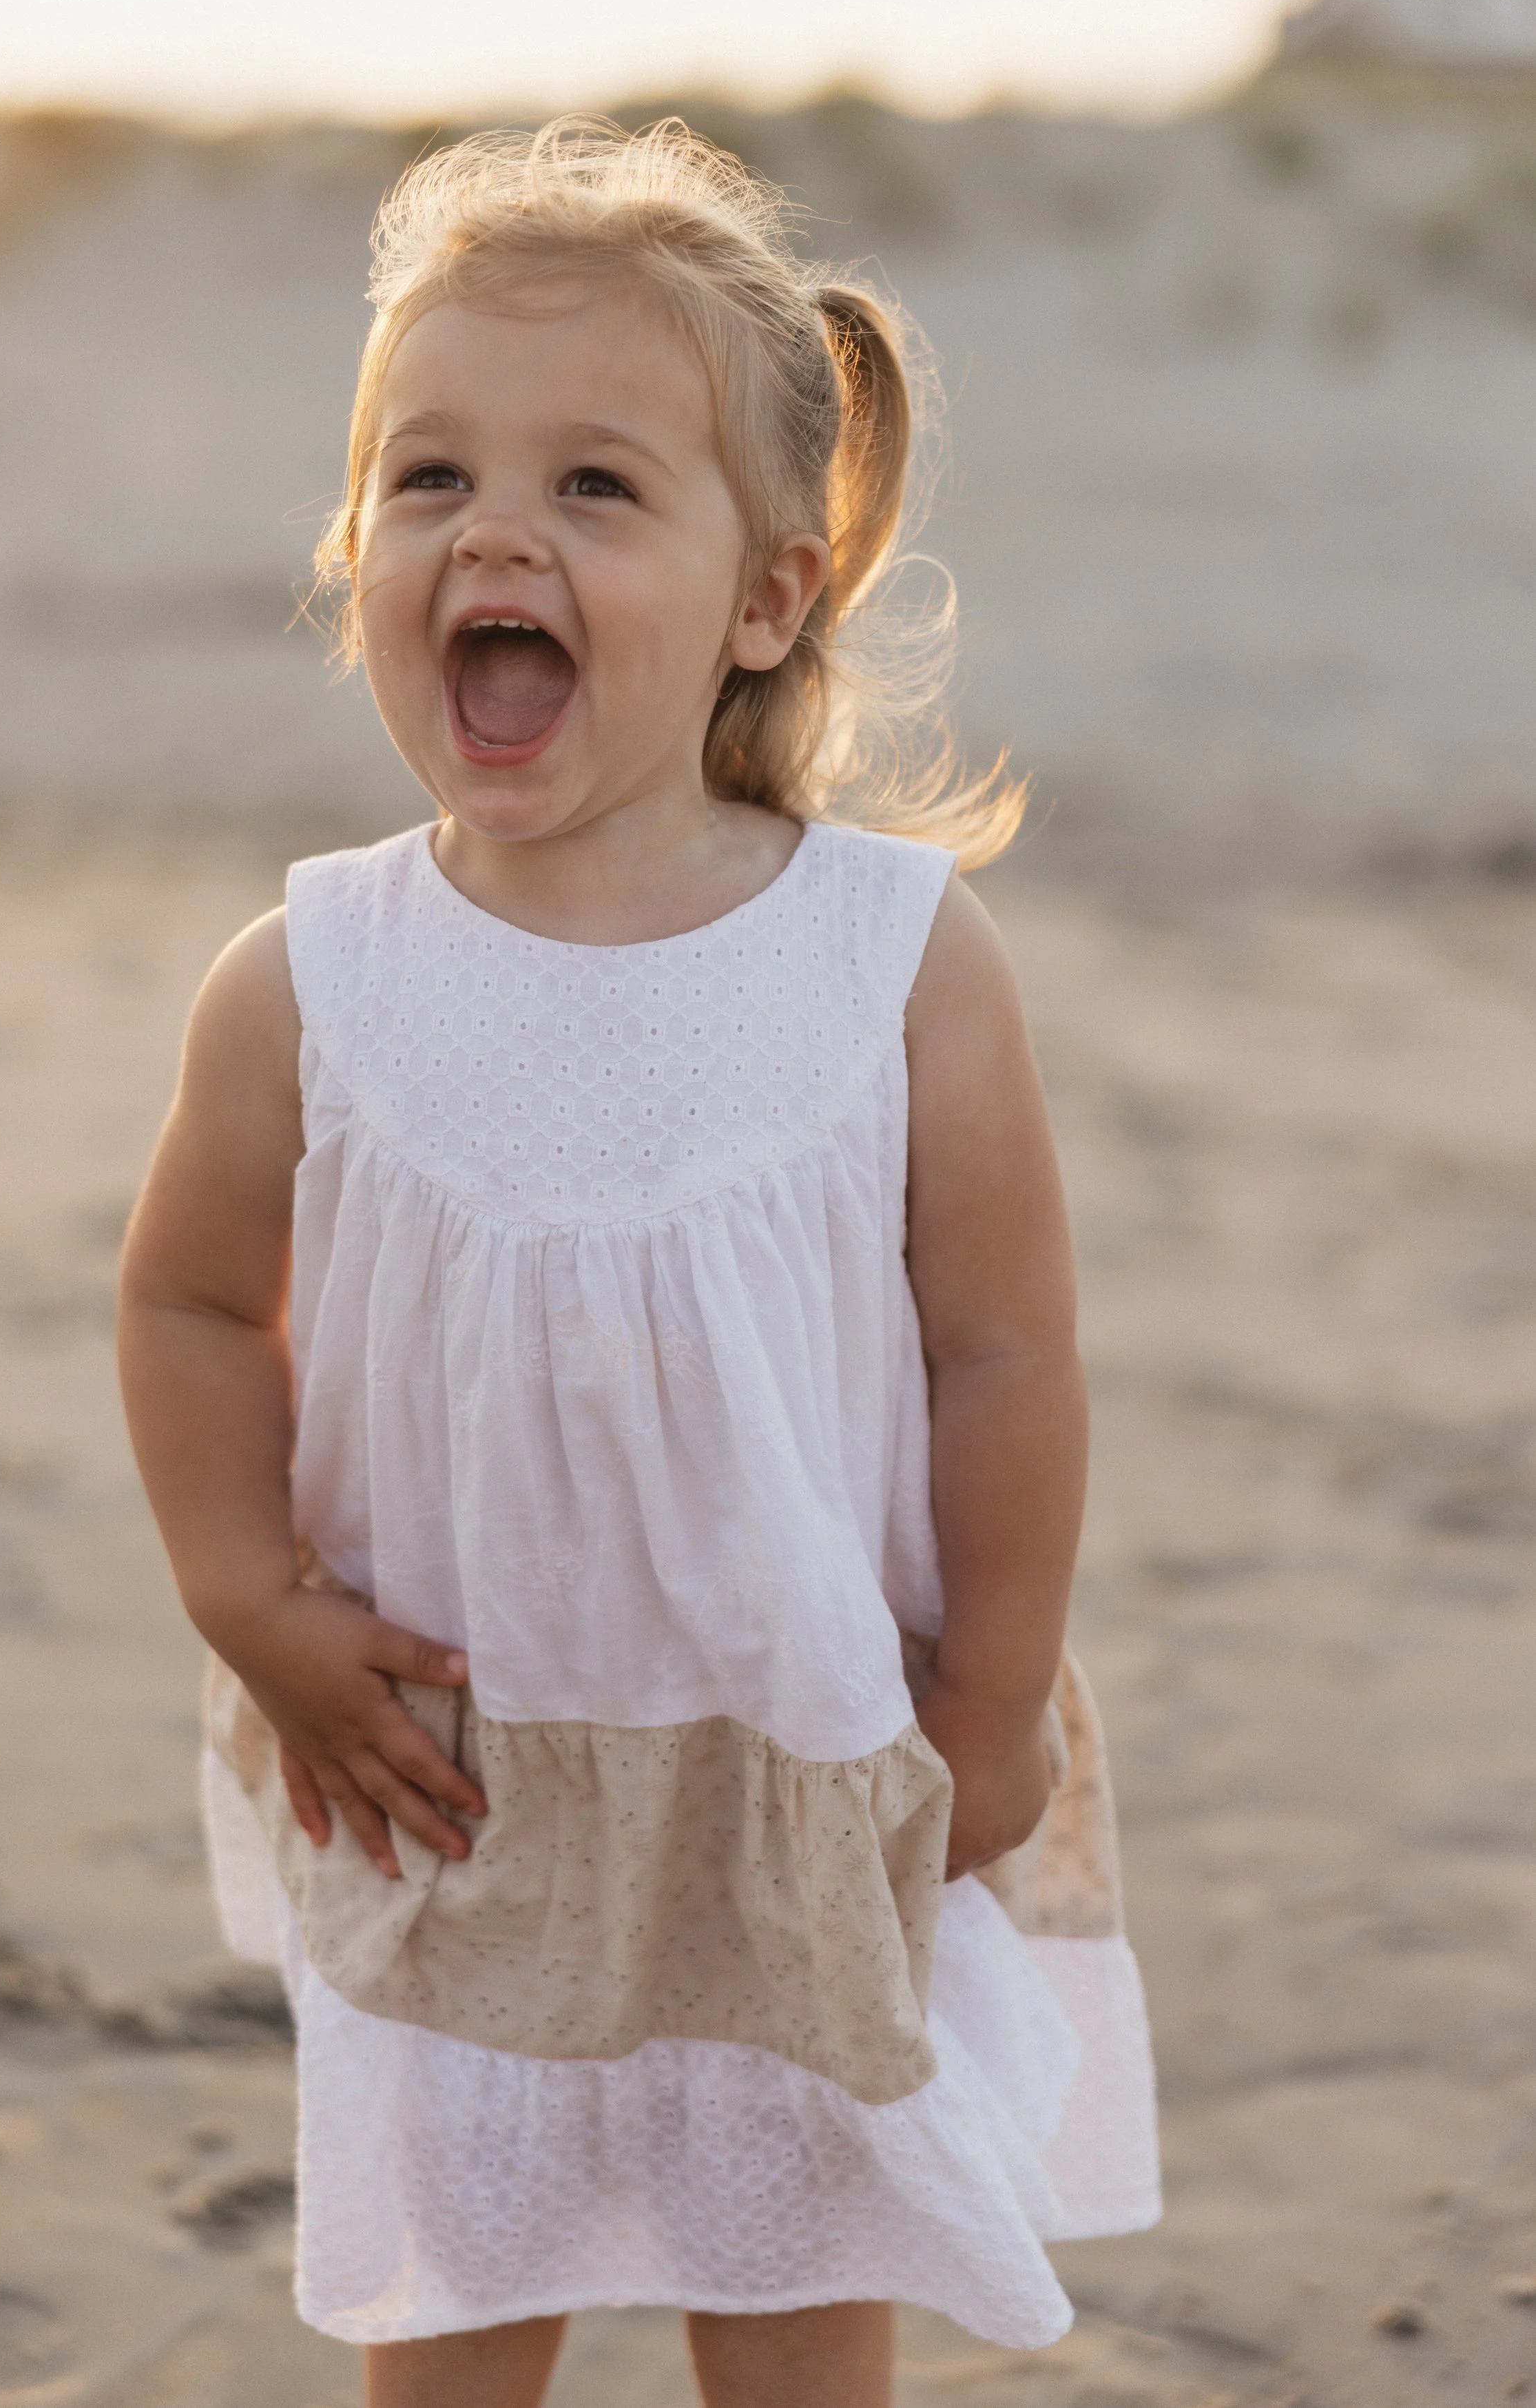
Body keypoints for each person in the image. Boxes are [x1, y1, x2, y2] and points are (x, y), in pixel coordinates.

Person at [117, 118, 1159, 2408]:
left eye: (596, 486)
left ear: (766, 596)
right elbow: (189, 1302)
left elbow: (1003, 1348)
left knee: (789, 2299)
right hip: (452, 1775)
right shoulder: (307, 980)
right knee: (451, 2304)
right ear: (355, 553)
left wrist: (987, 1694)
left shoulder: (893, 960)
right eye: (426, 481)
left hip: (794, 1763)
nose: (493, 530)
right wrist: (246, 1600)